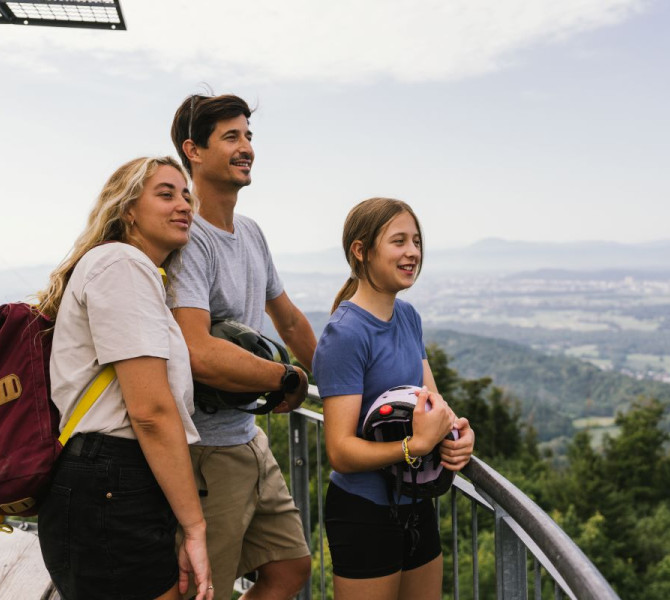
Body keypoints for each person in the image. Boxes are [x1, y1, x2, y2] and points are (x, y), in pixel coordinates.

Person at [37, 157, 214, 600]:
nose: (184, 205)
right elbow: (151, 412)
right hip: (110, 480)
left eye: (186, 195)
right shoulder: (122, 266)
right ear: (128, 210)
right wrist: (195, 527)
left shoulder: (130, 270)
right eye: (166, 193)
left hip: (109, 479)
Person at [168, 94, 314, 599]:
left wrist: (344, 392)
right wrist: (286, 378)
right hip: (206, 451)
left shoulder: (251, 233)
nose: (246, 147)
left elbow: (290, 320)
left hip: (249, 439)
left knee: (292, 568)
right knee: (206, 590)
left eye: (248, 135)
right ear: (194, 151)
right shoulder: (189, 240)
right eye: (231, 137)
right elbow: (197, 349)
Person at [312, 197, 476, 600]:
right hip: (364, 511)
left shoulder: (408, 317)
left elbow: (434, 405)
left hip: (416, 500)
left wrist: (458, 434)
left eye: (416, 241)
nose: (413, 253)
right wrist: (415, 446)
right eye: (399, 241)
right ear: (361, 251)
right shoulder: (346, 334)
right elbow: (341, 451)